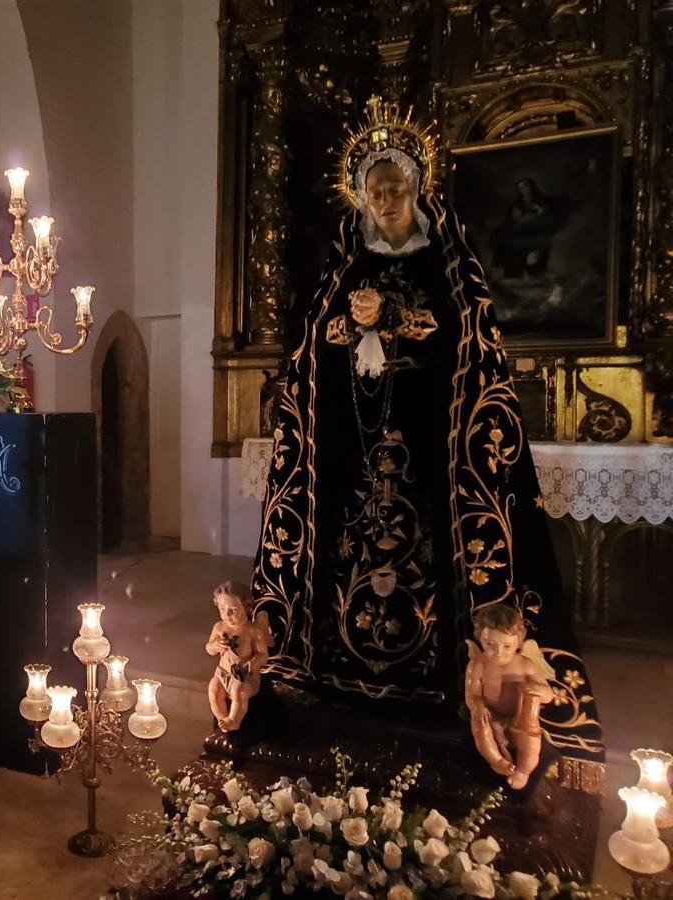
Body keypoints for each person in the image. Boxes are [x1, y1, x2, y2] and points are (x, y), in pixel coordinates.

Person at [251, 97, 602, 767]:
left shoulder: (449, 269)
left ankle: (448, 686)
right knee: (349, 566)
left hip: (432, 456)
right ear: (358, 197)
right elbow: (311, 357)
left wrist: (402, 321)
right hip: (351, 458)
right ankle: (332, 674)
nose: (385, 199)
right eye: (374, 189)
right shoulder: (340, 270)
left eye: (397, 187)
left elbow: (470, 348)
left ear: (418, 190)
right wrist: (349, 327)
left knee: (432, 571)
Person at [464, 603, 556, 789]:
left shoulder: (525, 665)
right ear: (480, 638)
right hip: (491, 714)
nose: (498, 653)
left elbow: (549, 695)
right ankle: (496, 760)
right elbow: (472, 694)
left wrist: (536, 688)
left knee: (530, 741)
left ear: (518, 643)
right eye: (490, 645)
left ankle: (523, 770)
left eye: (507, 646)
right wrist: (478, 705)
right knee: (480, 726)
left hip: (521, 717)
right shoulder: (477, 664)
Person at [205, 582, 269, 732]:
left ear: (246, 608)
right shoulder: (219, 627)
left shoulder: (253, 631)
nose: (227, 615)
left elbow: (263, 655)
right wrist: (215, 645)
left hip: (244, 675)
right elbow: (209, 649)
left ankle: (234, 720)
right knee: (213, 690)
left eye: (233, 610)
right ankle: (222, 719)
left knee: (239, 692)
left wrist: (253, 663)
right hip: (223, 673)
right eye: (222, 609)